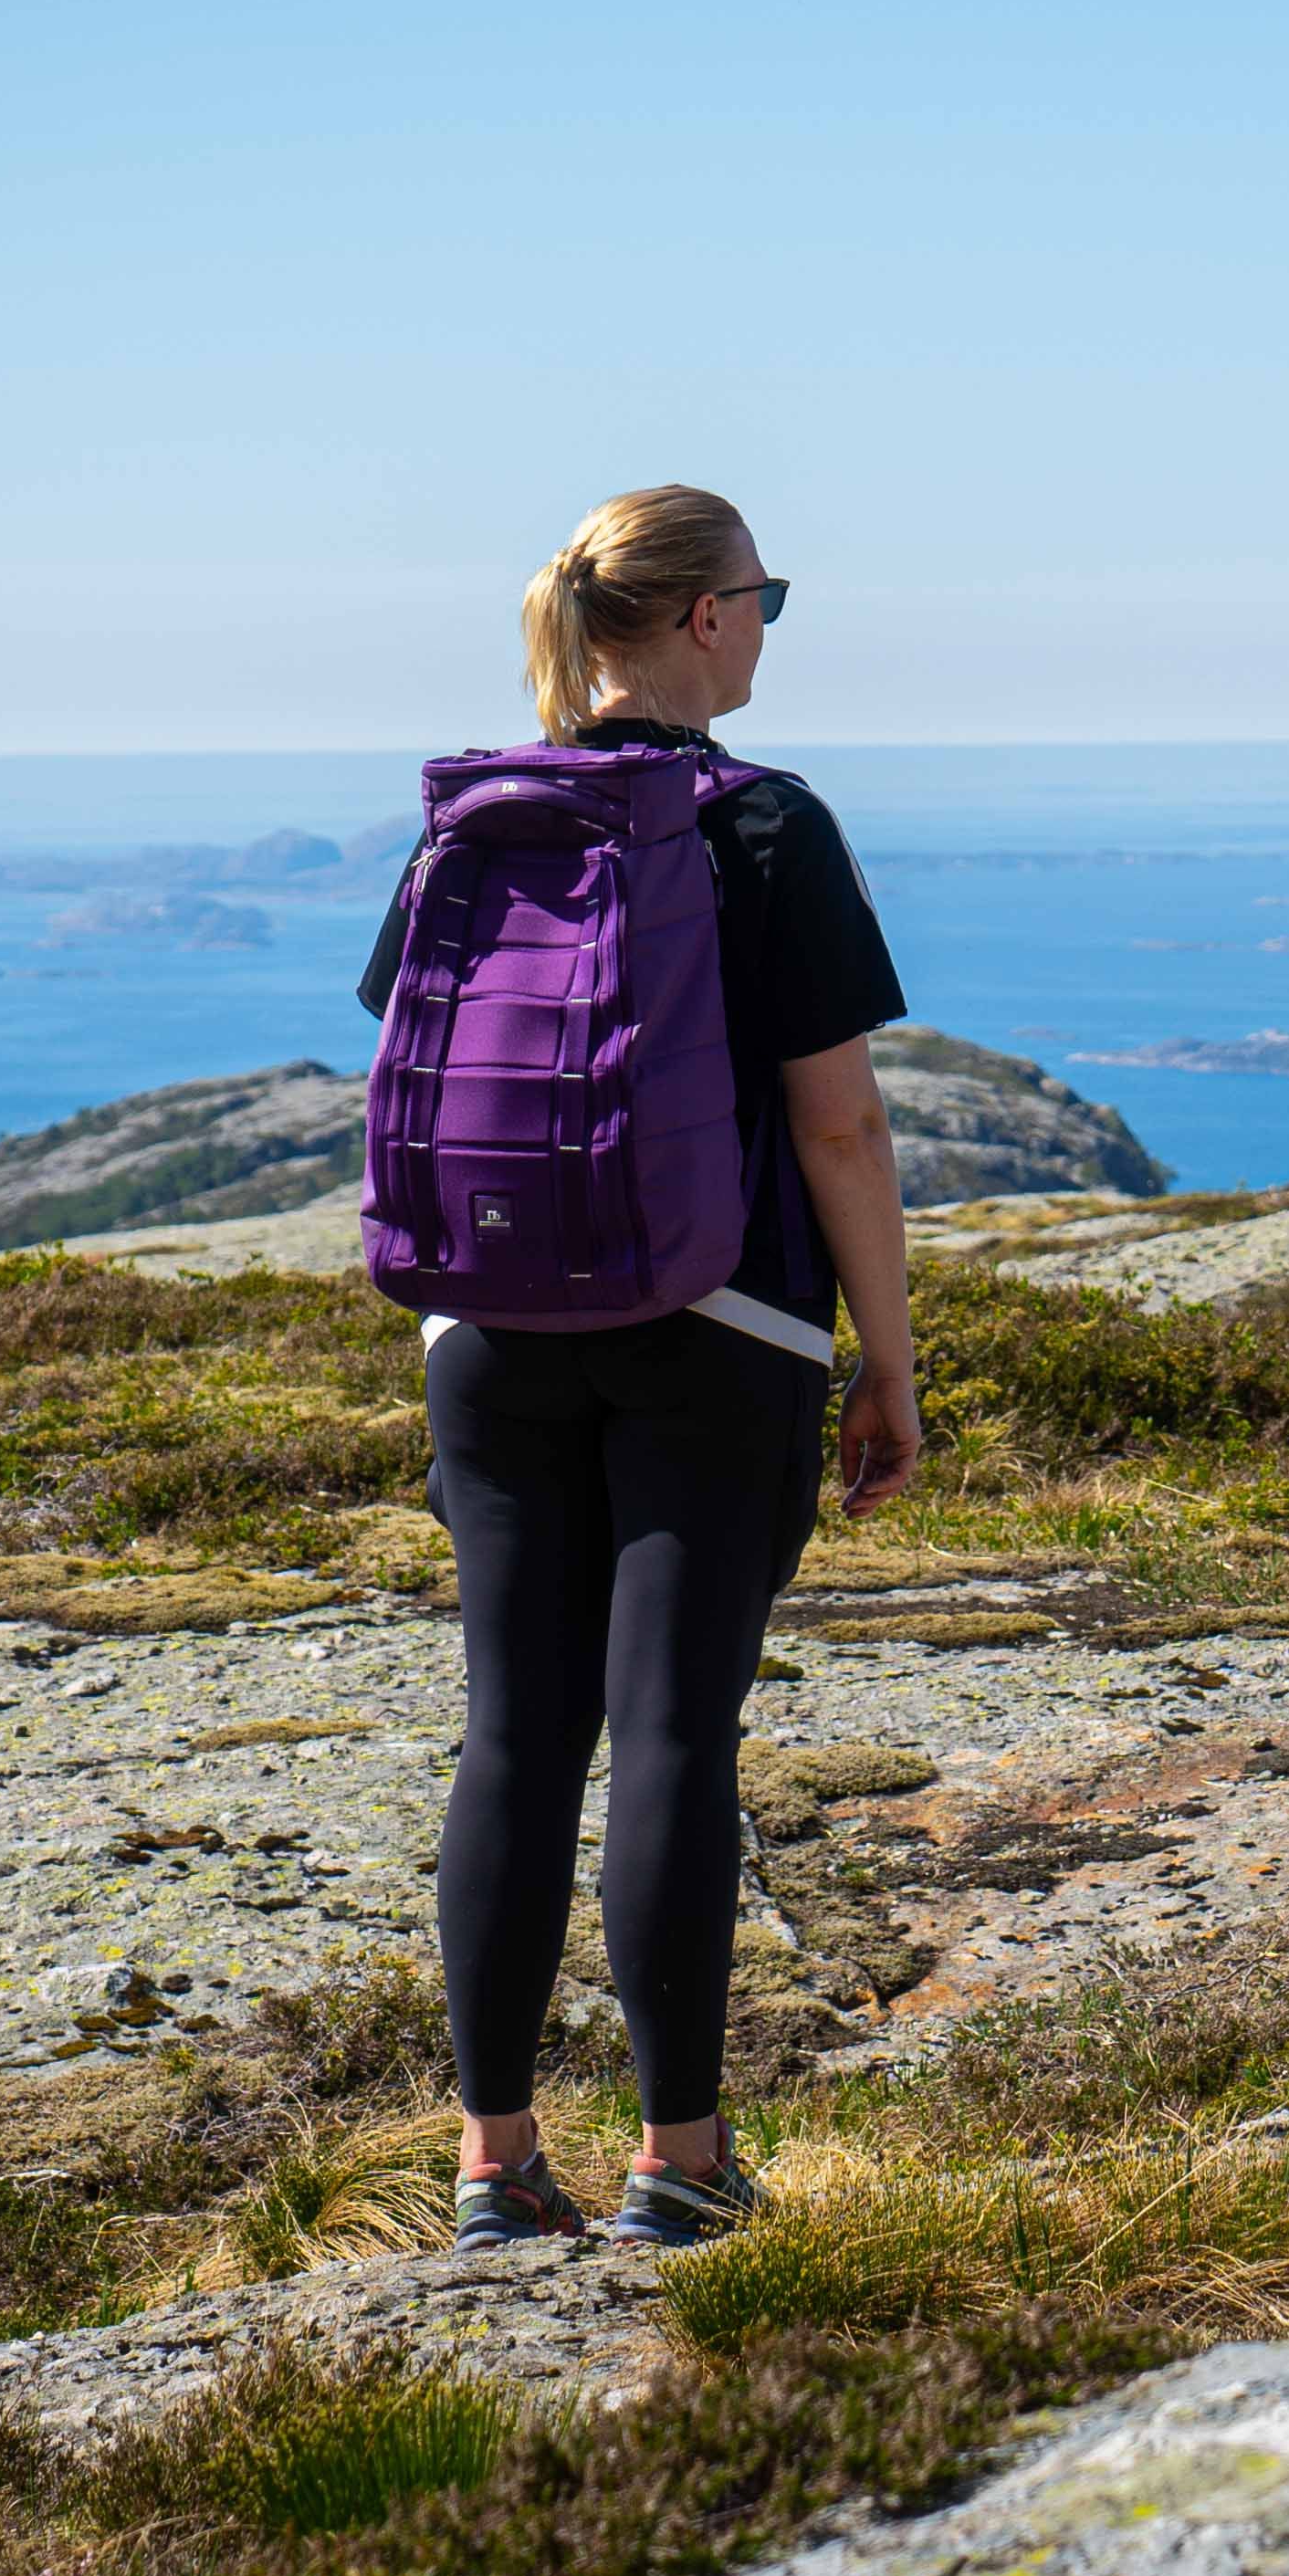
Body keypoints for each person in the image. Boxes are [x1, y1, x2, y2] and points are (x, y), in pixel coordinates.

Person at [371, 484, 923, 2249]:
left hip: (490, 1341)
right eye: (761, 595)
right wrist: (887, 1362)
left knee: (516, 1739)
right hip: (720, 1333)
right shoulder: (762, 827)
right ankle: (679, 2168)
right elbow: (838, 1131)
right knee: (676, 1732)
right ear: (696, 619)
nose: (765, 622)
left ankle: (491, 2166)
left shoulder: (482, 816)